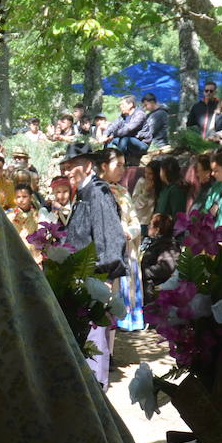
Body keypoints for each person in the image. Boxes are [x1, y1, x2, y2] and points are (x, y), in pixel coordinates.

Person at [64, 155, 126, 389]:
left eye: (73, 166)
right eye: (67, 167)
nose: (68, 171)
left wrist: (108, 277)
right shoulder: (83, 191)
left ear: (88, 166)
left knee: (95, 334)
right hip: (81, 276)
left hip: (96, 277)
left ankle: (96, 386)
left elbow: (110, 235)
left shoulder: (98, 192)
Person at [99, 153, 144, 331]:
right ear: (104, 166)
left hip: (125, 248)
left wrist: (129, 232)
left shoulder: (123, 192)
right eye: (117, 165)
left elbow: (135, 222)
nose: (122, 170)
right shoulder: (96, 191)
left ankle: (129, 319)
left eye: (123, 165)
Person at [102, 95, 149, 161]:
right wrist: (105, 135)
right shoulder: (123, 116)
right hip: (127, 142)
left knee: (124, 139)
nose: (120, 107)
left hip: (141, 143)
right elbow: (113, 125)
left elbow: (128, 129)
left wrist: (113, 135)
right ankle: (106, 159)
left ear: (130, 105)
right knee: (110, 140)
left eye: (123, 105)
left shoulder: (139, 115)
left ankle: (119, 161)